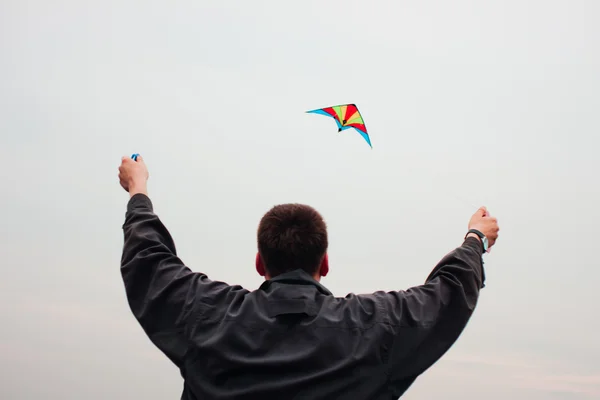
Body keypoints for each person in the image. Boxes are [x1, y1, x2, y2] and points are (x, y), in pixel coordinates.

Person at [118, 154, 500, 400]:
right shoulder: (373, 328)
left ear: (259, 263)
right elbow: (448, 293)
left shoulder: (207, 316)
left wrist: (138, 188)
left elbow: (148, 261)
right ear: (326, 263)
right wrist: (474, 239)